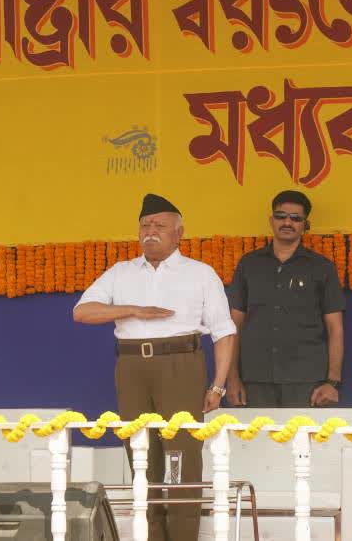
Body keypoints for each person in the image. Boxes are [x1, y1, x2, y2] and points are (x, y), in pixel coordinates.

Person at [73, 193, 235, 541]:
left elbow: (224, 332)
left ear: (179, 233)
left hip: (180, 366)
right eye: (145, 225)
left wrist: (218, 386)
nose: (150, 232)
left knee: (181, 458)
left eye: (159, 226)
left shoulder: (200, 274)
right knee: (141, 456)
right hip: (133, 367)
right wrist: (132, 309)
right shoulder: (122, 272)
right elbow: (82, 312)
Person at [226, 190, 346, 408]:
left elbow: (335, 327)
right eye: (281, 216)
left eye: (296, 218)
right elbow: (234, 325)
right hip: (255, 378)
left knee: (302, 443)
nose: (287, 222)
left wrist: (332, 382)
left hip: (307, 381)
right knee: (256, 442)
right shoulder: (249, 265)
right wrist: (232, 378)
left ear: (304, 224)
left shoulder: (321, 268)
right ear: (271, 221)